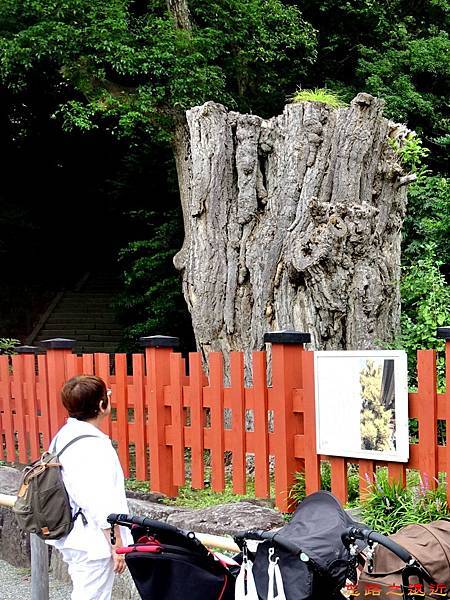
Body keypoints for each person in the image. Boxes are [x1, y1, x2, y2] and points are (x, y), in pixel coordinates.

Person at [46, 375, 132, 600]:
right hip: (92, 538)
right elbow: (100, 502)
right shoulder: (93, 445)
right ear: (102, 405)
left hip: (71, 528)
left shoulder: (65, 436)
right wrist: (116, 545)